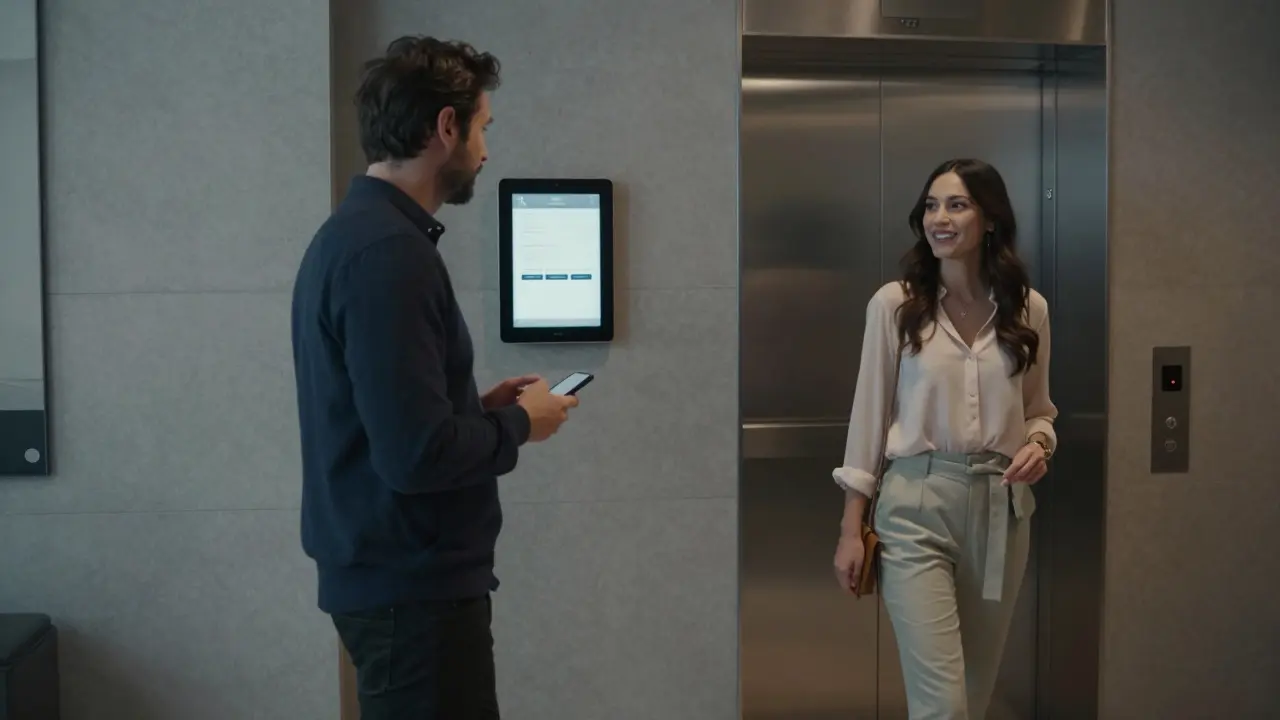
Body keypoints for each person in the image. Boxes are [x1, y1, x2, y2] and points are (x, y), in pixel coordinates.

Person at [290, 35, 579, 719]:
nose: (486, 147)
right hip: (412, 596)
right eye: (482, 126)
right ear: (445, 127)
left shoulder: (357, 237)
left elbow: (383, 419)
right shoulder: (389, 254)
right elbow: (415, 456)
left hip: (397, 586)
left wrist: (470, 411)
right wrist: (519, 426)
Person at [831, 158, 1057, 719]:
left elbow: (1039, 411)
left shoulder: (1029, 308)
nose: (940, 218)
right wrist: (850, 528)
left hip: (1000, 509)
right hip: (914, 506)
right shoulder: (896, 305)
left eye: (957, 205)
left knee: (973, 695)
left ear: (990, 220)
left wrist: (1040, 444)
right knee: (943, 705)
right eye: (932, 206)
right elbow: (868, 418)